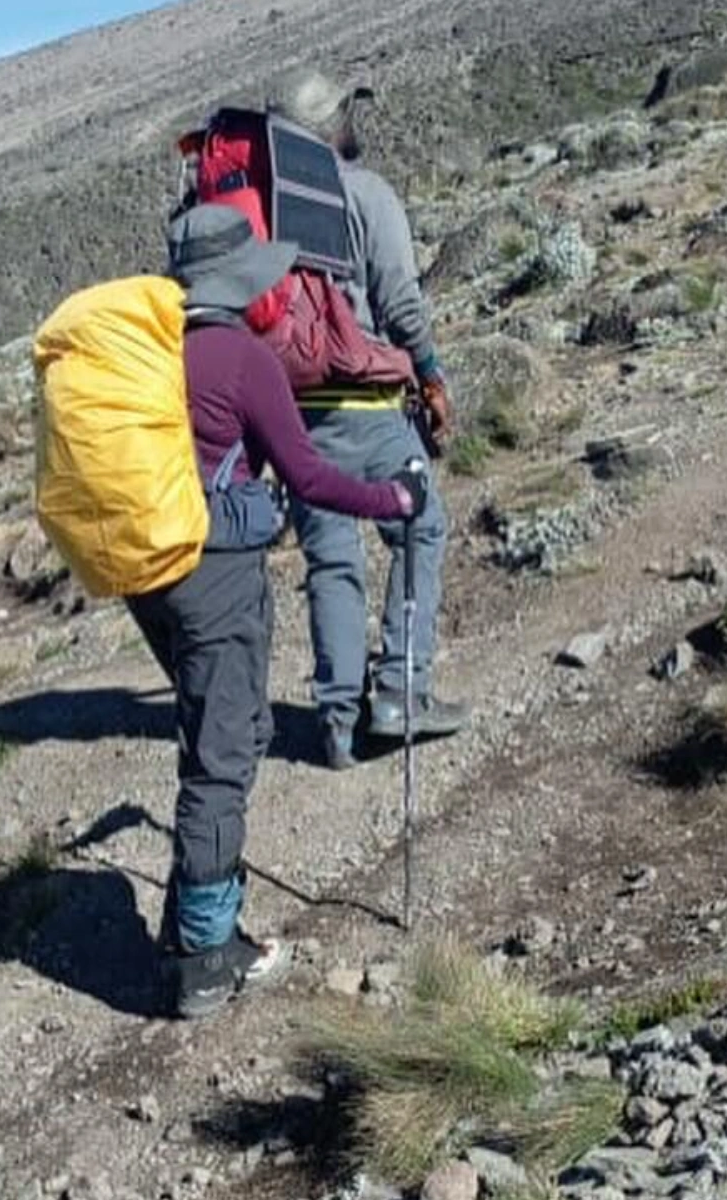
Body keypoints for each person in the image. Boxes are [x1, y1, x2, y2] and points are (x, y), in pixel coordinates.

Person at [135, 204, 421, 1018]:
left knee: (220, 723)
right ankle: (203, 957)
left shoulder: (150, 352)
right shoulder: (239, 357)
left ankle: (190, 922)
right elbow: (309, 478)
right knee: (222, 753)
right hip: (215, 568)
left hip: (148, 569)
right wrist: (392, 496)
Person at [271, 73, 470, 770]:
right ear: (335, 129)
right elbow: (401, 302)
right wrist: (434, 373)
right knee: (421, 527)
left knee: (331, 559)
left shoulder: (260, 212)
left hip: (293, 417)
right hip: (373, 408)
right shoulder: (366, 195)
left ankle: (336, 726)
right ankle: (401, 693)